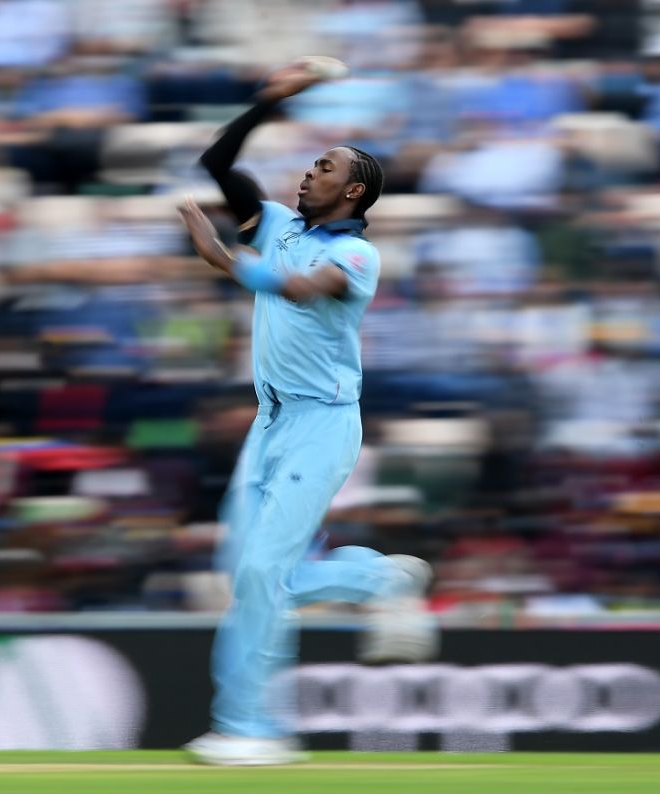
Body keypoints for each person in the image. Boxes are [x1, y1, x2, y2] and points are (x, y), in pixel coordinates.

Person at [176, 61, 437, 766]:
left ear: (352, 189)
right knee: (252, 575)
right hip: (269, 425)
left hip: (323, 425)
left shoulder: (356, 255)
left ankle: (252, 729)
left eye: (322, 167)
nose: (306, 173)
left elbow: (298, 290)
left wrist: (223, 259)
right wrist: (269, 100)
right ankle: (382, 580)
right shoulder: (278, 224)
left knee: (265, 574)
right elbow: (217, 162)